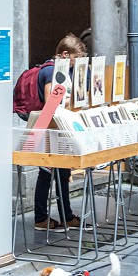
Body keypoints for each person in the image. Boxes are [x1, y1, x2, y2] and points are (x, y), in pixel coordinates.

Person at [33, 34, 86, 230]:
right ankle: (40, 218)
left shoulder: (61, 71)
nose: (75, 64)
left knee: (63, 172)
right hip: (48, 130)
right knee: (46, 173)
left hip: (58, 130)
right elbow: (50, 104)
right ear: (65, 54)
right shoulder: (51, 72)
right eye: (75, 58)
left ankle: (66, 215)